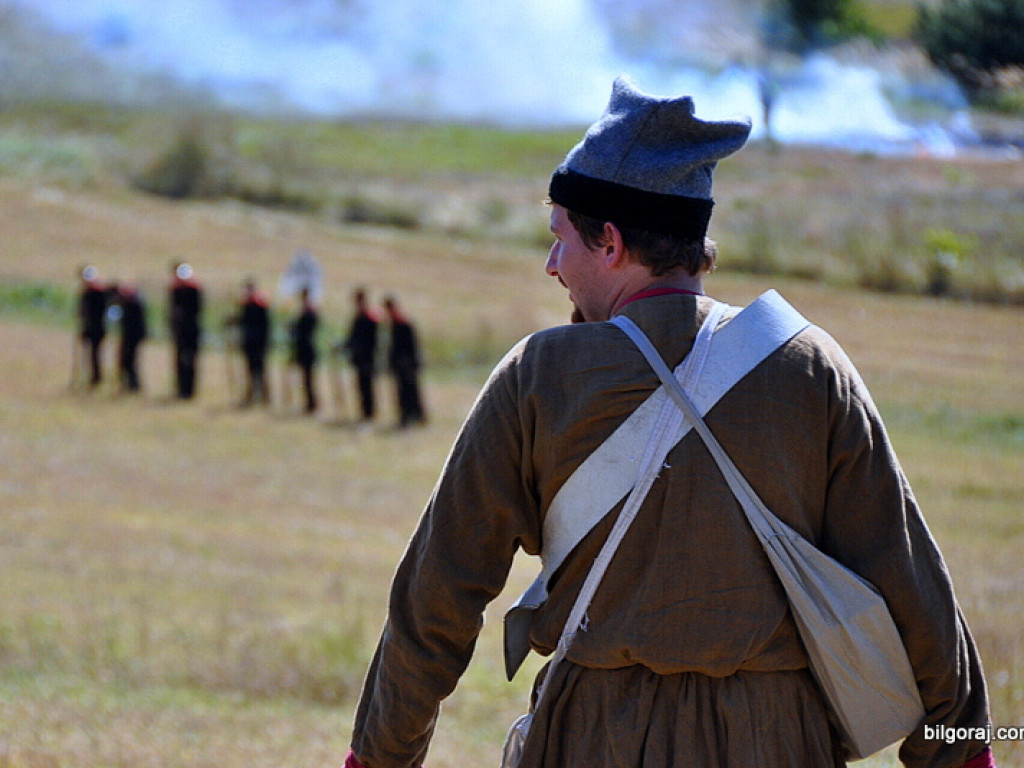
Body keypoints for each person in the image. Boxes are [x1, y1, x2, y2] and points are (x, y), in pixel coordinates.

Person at [344, 77, 994, 768]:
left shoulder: (537, 376)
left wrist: (378, 760)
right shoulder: (812, 367)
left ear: (612, 243)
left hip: (592, 741)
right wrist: (965, 753)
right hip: (777, 743)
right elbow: (915, 592)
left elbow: (436, 600)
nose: (551, 264)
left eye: (561, 240)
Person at [383, 296, 426, 428]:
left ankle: (416, 415)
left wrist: (410, 362)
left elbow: (412, 346)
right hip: (400, 364)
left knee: (411, 391)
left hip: (408, 364)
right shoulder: (394, 324)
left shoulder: (403, 323)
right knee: (403, 392)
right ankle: (407, 415)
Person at [232, 278, 272, 407]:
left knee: (259, 369)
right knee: (250, 370)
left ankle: (264, 395)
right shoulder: (246, 305)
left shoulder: (260, 305)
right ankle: (253, 394)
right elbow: (244, 321)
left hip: (258, 342)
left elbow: (265, 326)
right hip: (249, 342)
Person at [168, 262, 203, 399]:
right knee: (179, 361)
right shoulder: (175, 290)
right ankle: (181, 389)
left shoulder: (194, 290)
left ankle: (189, 390)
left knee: (190, 360)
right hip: (179, 331)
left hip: (191, 331)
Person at [344, 287, 379, 422]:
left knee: (367, 386)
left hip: (367, 357)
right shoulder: (358, 316)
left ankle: (369, 413)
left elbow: (370, 340)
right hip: (359, 357)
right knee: (361, 386)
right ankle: (365, 412)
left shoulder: (369, 317)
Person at [76, 265, 108, 388]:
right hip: (89, 327)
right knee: (90, 355)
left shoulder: (98, 294)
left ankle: (96, 378)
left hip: (97, 328)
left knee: (95, 355)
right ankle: (91, 377)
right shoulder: (86, 293)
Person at [290, 287, 319, 414]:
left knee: (309, 379)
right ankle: (309, 403)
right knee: (305, 379)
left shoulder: (310, 312)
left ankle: (312, 404)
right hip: (302, 348)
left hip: (307, 349)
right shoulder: (305, 311)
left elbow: (305, 330)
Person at [115, 282, 147, 393]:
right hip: (127, 336)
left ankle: (133, 385)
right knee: (125, 361)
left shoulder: (135, 304)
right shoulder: (127, 303)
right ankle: (127, 385)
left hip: (133, 337)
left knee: (129, 361)